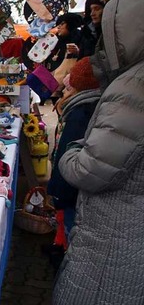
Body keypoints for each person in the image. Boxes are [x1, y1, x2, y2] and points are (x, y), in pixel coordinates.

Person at [51, 0, 144, 305]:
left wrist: (68, 153)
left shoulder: (133, 88)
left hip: (115, 248)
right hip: (134, 246)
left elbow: (93, 170)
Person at [45, 57, 100, 269]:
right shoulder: (82, 107)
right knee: (64, 217)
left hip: (69, 179)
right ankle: (59, 246)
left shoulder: (80, 112)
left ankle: (66, 262)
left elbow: (68, 150)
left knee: (69, 220)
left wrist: (57, 187)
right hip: (68, 176)